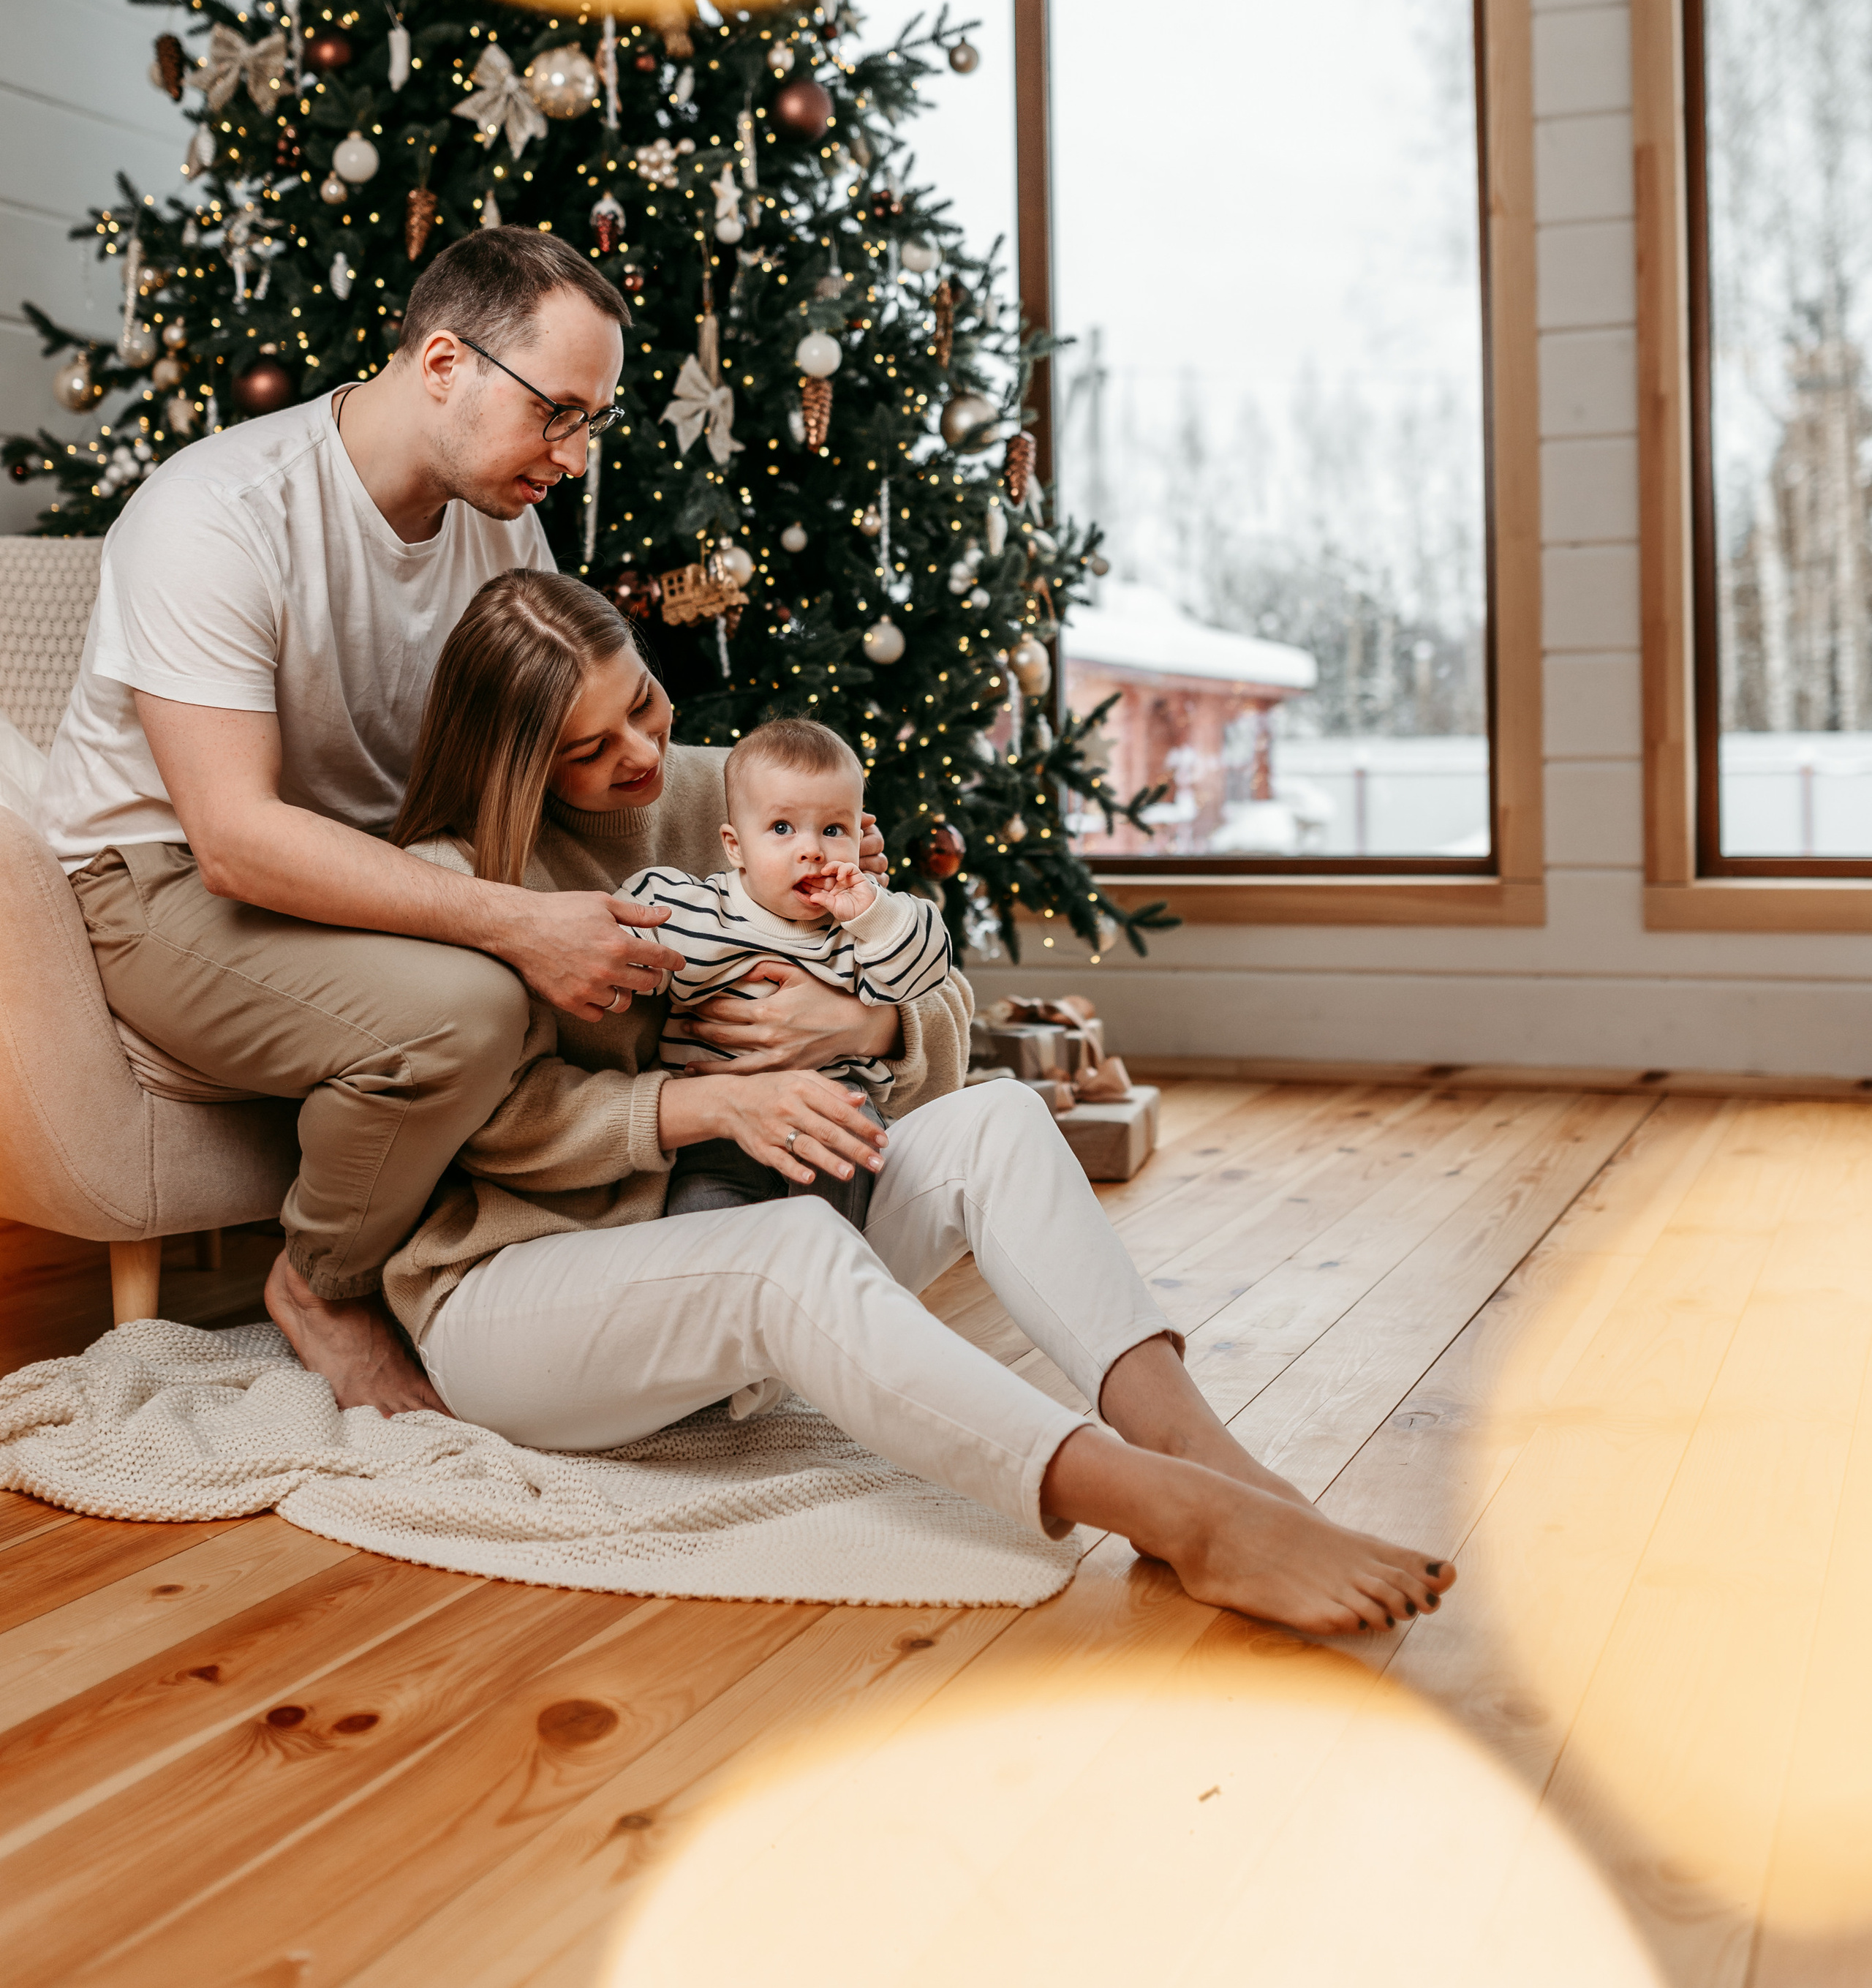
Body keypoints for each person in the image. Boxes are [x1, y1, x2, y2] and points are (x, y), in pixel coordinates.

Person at [381, 570, 1457, 1638]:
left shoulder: (740, 795)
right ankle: (1176, 1513)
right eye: (590, 747)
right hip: (522, 1296)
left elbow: (927, 987)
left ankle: (1200, 1451)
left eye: (646, 702)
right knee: (786, 1243)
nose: (645, 754)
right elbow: (476, 1118)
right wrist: (702, 1108)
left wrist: (862, 1028)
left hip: (726, 1243)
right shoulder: (454, 875)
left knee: (999, 1118)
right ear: (516, 757)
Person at [34, 227, 937, 1414]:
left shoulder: (497, 512)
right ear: (446, 362)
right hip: (167, 882)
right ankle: (323, 1282)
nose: (571, 455)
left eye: (591, 422)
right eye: (557, 411)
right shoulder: (218, 515)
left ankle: (644, 1259)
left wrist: (789, 823)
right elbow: (238, 840)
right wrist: (514, 922)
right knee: (467, 1010)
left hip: (387, 848)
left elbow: (567, 740)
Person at [624, 713, 953, 1228]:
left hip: (834, 1119)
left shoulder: (855, 930)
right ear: (735, 846)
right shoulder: (695, 911)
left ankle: (835, 1272)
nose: (812, 849)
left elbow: (928, 969)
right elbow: (618, 933)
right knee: (702, 1227)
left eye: (833, 829)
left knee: (830, 1230)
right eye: (782, 827)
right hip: (717, 1137)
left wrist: (875, 911)